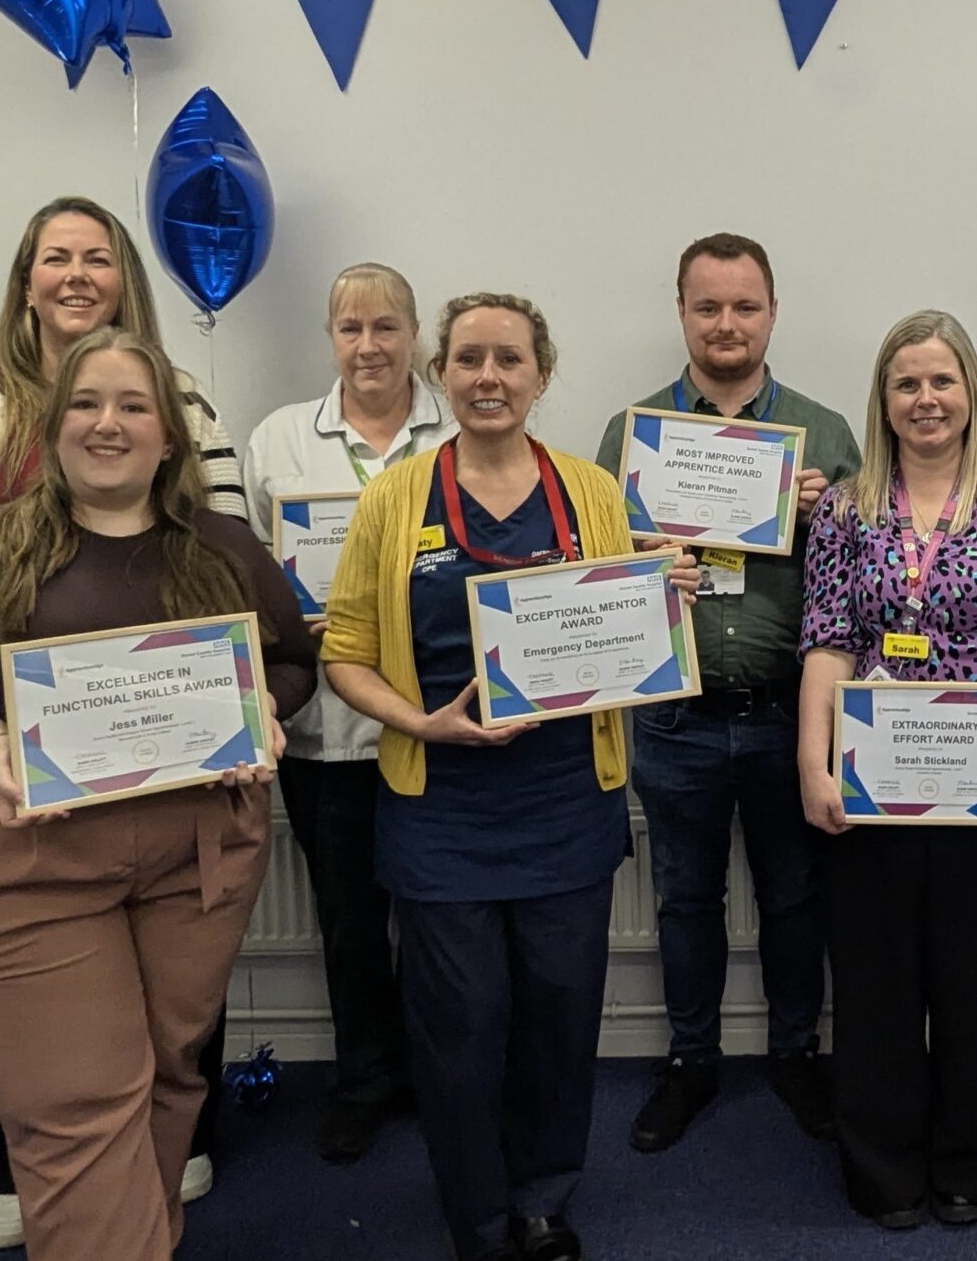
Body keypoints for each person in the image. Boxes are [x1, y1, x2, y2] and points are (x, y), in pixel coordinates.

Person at [0, 329, 315, 1261]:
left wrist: (262, 708)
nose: (107, 423)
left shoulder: (223, 546)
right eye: (85, 404)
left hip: (198, 863)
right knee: (78, 1104)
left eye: (133, 406)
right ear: (50, 425)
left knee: (165, 1083)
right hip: (33, 865)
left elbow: (292, 663)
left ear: (171, 438)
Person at [321, 292, 698, 1261]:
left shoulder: (593, 494)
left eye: (509, 360)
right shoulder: (394, 498)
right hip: (439, 812)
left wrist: (660, 598)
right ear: (440, 374)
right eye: (469, 360)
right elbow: (348, 650)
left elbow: (622, 643)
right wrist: (422, 723)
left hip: (568, 804)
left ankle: (540, 1200)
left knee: (560, 1022)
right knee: (458, 1032)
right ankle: (478, 1217)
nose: (488, 377)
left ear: (541, 374)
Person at [795, 310, 977, 1230]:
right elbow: (829, 643)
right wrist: (811, 759)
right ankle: (882, 1169)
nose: (926, 399)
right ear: (883, 398)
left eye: (942, 381)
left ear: (970, 395)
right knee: (874, 986)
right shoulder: (844, 508)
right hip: (870, 785)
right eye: (906, 383)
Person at [593, 233, 861, 1152]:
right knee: (683, 899)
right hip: (676, 717)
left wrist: (832, 519)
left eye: (745, 306)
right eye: (708, 307)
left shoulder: (825, 433)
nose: (726, 324)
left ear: (773, 313)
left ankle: (795, 1053)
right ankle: (691, 1061)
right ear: (681, 312)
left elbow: (877, 573)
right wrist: (638, 562)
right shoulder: (630, 437)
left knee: (796, 897)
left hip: (794, 711)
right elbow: (595, 582)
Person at [242, 263, 450, 1162]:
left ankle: (446, 1076)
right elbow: (244, 572)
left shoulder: (460, 430)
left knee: (447, 922)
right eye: (350, 328)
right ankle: (368, 1078)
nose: (368, 346)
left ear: (414, 336)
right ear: (331, 338)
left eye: (386, 327)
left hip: (439, 723)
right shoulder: (280, 439)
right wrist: (288, 613)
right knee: (351, 923)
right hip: (324, 731)